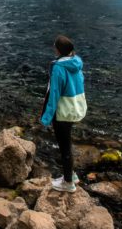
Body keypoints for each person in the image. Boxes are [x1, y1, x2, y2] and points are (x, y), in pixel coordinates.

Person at [40, 35, 87, 193]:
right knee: (67, 142)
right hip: (74, 107)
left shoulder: (59, 68)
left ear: (59, 49)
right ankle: (71, 175)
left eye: (55, 46)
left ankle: (68, 183)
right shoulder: (76, 63)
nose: (54, 48)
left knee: (64, 147)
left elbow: (54, 93)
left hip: (62, 111)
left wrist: (46, 117)